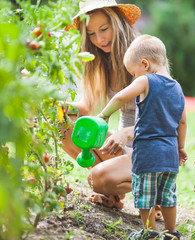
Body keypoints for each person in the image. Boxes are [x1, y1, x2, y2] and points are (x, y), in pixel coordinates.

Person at [97, 34, 187, 240]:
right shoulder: (177, 87)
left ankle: (150, 233)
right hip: (170, 155)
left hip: (147, 154)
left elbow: (121, 96)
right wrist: (181, 148)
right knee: (168, 196)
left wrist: (103, 115)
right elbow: (182, 123)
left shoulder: (146, 80)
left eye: (133, 73)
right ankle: (172, 233)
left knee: (145, 196)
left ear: (145, 64)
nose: (134, 78)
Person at [62, 0, 141, 209]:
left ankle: (157, 193)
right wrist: (56, 106)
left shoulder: (142, 54)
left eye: (104, 29)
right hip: (123, 145)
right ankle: (111, 194)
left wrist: (126, 133)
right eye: (91, 34)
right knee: (64, 123)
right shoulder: (100, 61)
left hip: (150, 147)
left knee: (96, 178)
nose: (99, 39)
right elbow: (86, 108)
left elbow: (164, 120)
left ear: (117, 22)